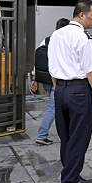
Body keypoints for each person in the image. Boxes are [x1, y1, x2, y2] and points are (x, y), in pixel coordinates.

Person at [48, 0, 92, 183]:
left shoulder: (56, 35)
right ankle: (70, 178)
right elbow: (90, 70)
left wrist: (58, 87)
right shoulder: (83, 37)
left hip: (60, 90)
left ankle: (70, 171)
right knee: (79, 136)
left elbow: (52, 66)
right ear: (81, 14)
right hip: (79, 91)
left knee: (66, 136)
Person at [31, 17, 71, 145]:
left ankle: (66, 132)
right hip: (58, 80)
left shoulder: (46, 40)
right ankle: (41, 135)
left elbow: (37, 60)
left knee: (60, 107)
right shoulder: (64, 42)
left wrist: (35, 78)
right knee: (53, 108)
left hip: (45, 79)